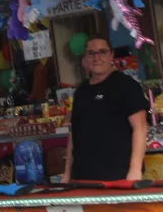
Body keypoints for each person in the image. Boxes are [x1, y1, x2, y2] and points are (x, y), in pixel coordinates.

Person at [62, 37, 148, 184]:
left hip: (118, 175)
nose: (97, 58)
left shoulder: (126, 85)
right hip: (83, 177)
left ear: (111, 55)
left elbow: (140, 128)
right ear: (85, 58)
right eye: (91, 53)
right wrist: (67, 174)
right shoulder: (81, 92)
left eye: (102, 52)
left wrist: (135, 169)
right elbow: (74, 135)